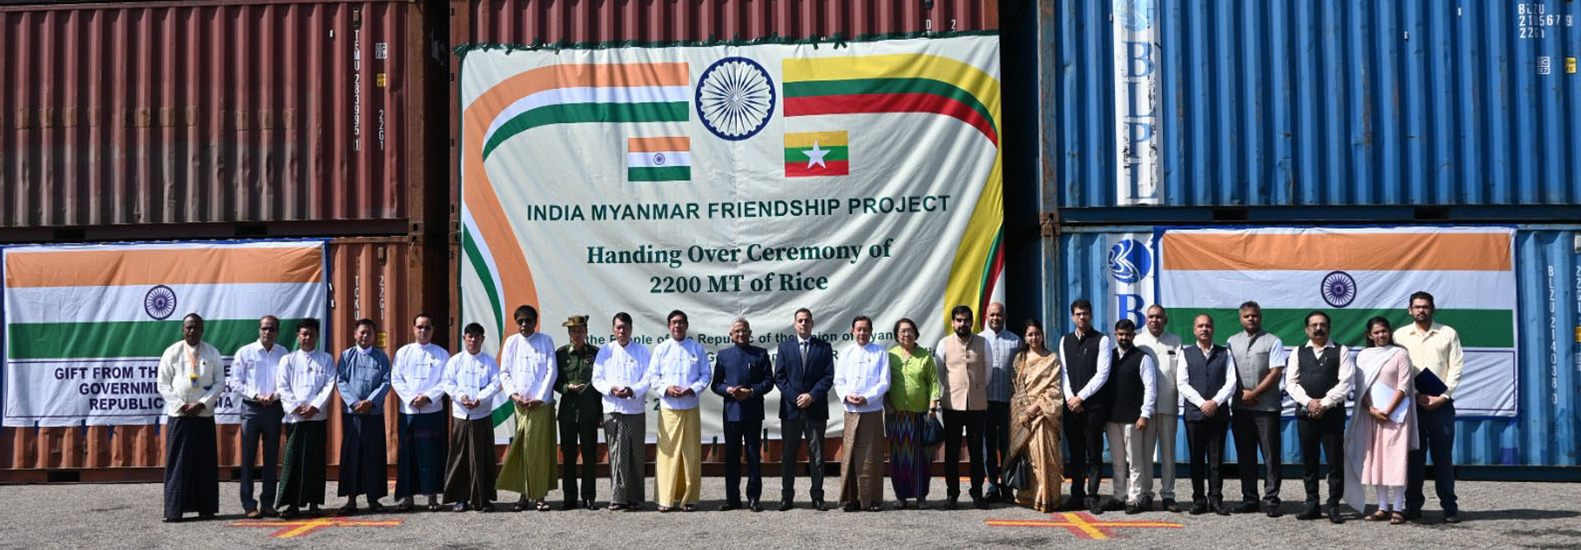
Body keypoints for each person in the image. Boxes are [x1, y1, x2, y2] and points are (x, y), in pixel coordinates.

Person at [1393, 291, 1463, 524]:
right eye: (1417, 307)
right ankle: (1413, 506)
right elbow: (1396, 372)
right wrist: (1414, 394)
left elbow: (1456, 368)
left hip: (1441, 406)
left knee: (1443, 458)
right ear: (1409, 310)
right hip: (1411, 405)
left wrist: (1442, 397)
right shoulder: (1400, 336)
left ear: (1432, 309)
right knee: (1414, 458)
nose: (1421, 310)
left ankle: (1450, 507)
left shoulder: (1448, 333)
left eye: (1425, 306)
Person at [1345, 316, 1417, 525]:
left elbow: (1404, 385)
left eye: (1384, 331)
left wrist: (1388, 410)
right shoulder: (1364, 356)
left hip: (1396, 416)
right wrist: (1372, 410)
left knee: (1396, 460)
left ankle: (1398, 508)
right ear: (1369, 335)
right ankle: (1382, 507)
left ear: (1389, 331)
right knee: (1377, 461)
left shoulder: (1400, 353)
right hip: (1372, 416)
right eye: (1376, 332)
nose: (1381, 335)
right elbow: (1361, 389)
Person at [1285, 310, 1353, 524]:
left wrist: (1322, 404)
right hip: (1306, 414)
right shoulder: (1298, 352)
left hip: (1332, 414)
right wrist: (1309, 403)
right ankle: (1312, 504)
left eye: (1322, 324)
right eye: (1314, 325)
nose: (1318, 328)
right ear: (1307, 329)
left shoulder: (1341, 351)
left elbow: (1346, 382)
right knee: (1309, 460)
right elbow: (1291, 383)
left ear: (1329, 328)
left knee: (1334, 461)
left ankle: (1333, 506)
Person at [156, 313, 224, 522]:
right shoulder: (172, 352)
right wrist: (181, 405)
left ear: (202, 330)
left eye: (196, 327)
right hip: (180, 415)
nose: (192, 331)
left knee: (204, 462)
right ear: (182, 330)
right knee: (178, 462)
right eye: (188, 327)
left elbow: (219, 383)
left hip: (203, 414)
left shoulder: (212, 353)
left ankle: (206, 508)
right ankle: (174, 511)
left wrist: (202, 403)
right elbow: (163, 384)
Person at [1225, 301, 1287, 516]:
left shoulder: (1273, 341)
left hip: (1266, 408)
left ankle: (1271, 500)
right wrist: (1243, 393)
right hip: (1241, 408)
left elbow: (1276, 372)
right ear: (1241, 318)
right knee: (1246, 456)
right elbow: (1228, 372)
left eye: (1255, 316)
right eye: (1247, 316)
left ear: (1260, 317)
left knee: (1270, 456)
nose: (1251, 319)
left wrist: (1255, 393)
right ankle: (1250, 499)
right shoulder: (1231, 342)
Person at [497, 305, 560, 512]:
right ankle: (524, 494)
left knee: (540, 451)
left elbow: (551, 372)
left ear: (535, 322)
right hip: (520, 405)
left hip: (542, 406)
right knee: (522, 451)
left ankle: (540, 495)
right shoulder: (511, 342)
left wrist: (540, 398)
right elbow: (504, 372)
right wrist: (514, 395)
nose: (524, 325)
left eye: (528, 321)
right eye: (521, 321)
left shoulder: (545, 340)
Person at [773, 307, 835, 511]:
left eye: (807, 320)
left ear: (812, 323)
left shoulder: (824, 347)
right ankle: (786, 497)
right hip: (791, 410)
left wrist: (811, 396)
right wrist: (795, 397)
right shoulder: (784, 347)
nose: (803, 324)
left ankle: (817, 496)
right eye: (800, 320)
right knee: (788, 455)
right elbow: (779, 377)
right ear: (794, 324)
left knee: (817, 456)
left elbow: (828, 377)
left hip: (815, 409)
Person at [591, 312, 654, 511]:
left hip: (634, 409)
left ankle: (634, 497)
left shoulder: (641, 351)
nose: (622, 331)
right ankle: (618, 497)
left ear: (631, 329)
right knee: (617, 454)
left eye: (625, 328)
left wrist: (632, 390)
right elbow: (597, 379)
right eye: (618, 328)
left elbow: (648, 378)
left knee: (635, 454)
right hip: (613, 409)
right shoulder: (605, 352)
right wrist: (612, 389)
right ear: (613, 330)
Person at [710, 317, 774, 512]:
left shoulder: (760, 354)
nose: (741, 334)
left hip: (753, 411)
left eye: (744, 330)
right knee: (731, 457)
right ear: (731, 335)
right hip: (732, 413)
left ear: (750, 332)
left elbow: (769, 382)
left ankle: (754, 498)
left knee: (754, 456)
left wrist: (751, 391)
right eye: (737, 331)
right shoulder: (723, 355)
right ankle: (732, 499)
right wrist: (728, 390)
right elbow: (716, 384)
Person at [275, 318, 336, 519]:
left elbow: (329, 384)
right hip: (295, 419)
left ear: (317, 336)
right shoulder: (288, 360)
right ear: (298, 336)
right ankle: (291, 505)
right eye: (304, 334)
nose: (307, 337)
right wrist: (295, 407)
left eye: (311, 334)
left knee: (315, 462)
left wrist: (315, 407)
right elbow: (282, 386)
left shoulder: (326, 359)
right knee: (293, 461)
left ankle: (314, 503)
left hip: (317, 419)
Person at [649, 309, 710, 513]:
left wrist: (691, 389)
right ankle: (665, 498)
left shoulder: (696, 348)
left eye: (681, 322)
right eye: (674, 323)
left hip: (690, 408)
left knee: (690, 454)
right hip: (669, 409)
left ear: (686, 325)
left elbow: (705, 375)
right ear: (668, 326)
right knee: (667, 454)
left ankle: (690, 498)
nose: (677, 326)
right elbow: (653, 377)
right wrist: (667, 389)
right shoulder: (661, 349)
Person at [391, 313, 451, 512]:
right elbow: (396, 379)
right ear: (413, 329)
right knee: (408, 456)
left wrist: (428, 397)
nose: (423, 331)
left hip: (432, 411)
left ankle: (432, 496)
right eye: (419, 327)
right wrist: (411, 398)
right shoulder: (403, 352)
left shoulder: (442, 354)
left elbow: (445, 381)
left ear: (433, 330)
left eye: (427, 327)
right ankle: (408, 497)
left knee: (431, 455)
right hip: (408, 411)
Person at [1058, 299, 1114, 513]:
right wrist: (1071, 398)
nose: (1082, 317)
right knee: (1075, 452)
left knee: (1094, 452)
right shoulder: (1065, 341)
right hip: (1071, 407)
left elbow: (1102, 374)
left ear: (1091, 316)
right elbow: (1063, 373)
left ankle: (1092, 496)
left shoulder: (1102, 341)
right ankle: (1076, 495)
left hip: (1093, 407)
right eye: (1078, 314)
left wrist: (1080, 397)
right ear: (1073, 317)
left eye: (1086, 314)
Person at [1178, 314, 1236, 516]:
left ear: (1213, 329)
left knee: (1216, 459)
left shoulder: (1225, 353)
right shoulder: (1185, 353)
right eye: (1200, 326)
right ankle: (1199, 500)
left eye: (1208, 326)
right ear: (1194, 330)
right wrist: (1203, 403)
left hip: (1218, 414)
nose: (1204, 329)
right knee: (1196, 459)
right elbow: (1182, 383)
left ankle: (1216, 499)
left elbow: (1231, 382)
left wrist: (1215, 402)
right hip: (1194, 414)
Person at [442, 322, 501, 512]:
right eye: (470, 336)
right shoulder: (455, 361)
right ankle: (461, 498)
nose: (473, 340)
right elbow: (448, 383)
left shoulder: (489, 361)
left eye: (477, 336)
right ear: (464, 338)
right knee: (460, 458)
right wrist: (461, 397)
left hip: (481, 415)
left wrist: (480, 399)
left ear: (483, 339)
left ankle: (483, 499)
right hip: (461, 416)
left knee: (483, 457)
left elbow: (495, 384)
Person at [935, 305, 990, 509]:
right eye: (958, 320)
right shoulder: (944, 344)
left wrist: (975, 390)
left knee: (976, 452)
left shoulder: (983, 343)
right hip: (952, 405)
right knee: (952, 452)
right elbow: (941, 372)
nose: (962, 324)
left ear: (972, 321)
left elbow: (988, 371)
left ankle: (977, 493)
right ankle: (952, 494)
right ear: (953, 322)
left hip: (976, 405)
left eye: (966, 320)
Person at [233, 315, 288, 518]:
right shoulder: (245, 353)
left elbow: (286, 383)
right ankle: (249, 505)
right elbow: (236, 382)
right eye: (264, 328)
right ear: (259, 330)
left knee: (271, 458)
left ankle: (267, 503)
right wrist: (256, 395)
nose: (268, 332)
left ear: (277, 332)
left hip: (273, 408)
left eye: (272, 329)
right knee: (248, 457)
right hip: (251, 409)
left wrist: (275, 395)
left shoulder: (283, 354)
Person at [1006, 318, 1064, 512]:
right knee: (1029, 459)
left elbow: (1055, 391)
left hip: (1043, 416)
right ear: (1025, 337)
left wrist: (1037, 407)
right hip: (1024, 417)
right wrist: (1023, 410)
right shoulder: (1019, 360)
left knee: (1046, 457)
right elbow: (1015, 388)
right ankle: (1028, 496)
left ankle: (1048, 497)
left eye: (1037, 334)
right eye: (1030, 334)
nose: (1034, 338)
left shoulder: (1051, 359)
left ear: (1042, 335)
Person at [335, 318, 392, 514]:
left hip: (374, 413)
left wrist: (371, 401)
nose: (365, 336)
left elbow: (386, 382)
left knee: (374, 455)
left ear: (374, 336)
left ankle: (373, 499)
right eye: (362, 332)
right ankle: (351, 499)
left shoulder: (381, 357)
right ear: (355, 334)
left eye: (369, 332)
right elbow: (340, 381)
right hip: (353, 415)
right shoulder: (346, 356)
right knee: (352, 455)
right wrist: (355, 402)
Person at [835, 315, 891, 512]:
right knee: (850, 455)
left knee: (871, 455)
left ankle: (873, 500)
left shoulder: (880, 352)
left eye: (865, 329)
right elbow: (839, 381)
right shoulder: (846, 352)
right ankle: (852, 499)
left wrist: (867, 397)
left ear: (871, 331)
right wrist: (846, 396)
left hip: (872, 410)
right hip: (850, 411)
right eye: (858, 329)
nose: (862, 333)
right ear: (852, 330)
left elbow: (884, 382)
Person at [885, 318, 940, 509]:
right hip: (896, 415)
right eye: (902, 331)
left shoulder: (925, 356)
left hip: (920, 414)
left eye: (910, 331)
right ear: (897, 335)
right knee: (899, 457)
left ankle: (921, 496)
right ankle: (901, 497)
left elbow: (933, 382)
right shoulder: (890, 356)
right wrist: (886, 404)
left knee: (922, 458)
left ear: (916, 333)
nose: (906, 334)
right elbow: (884, 384)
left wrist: (933, 406)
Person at [1105, 319, 1157, 515]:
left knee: (1135, 461)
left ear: (1133, 336)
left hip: (1133, 419)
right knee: (1117, 461)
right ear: (1115, 335)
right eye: (1120, 334)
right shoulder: (1108, 357)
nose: (1123, 338)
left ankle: (1135, 498)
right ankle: (1119, 496)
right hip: (1112, 418)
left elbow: (1151, 388)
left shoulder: (1143, 358)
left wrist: (1145, 414)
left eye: (1127, 334)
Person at [1134, 304, 1183, 512]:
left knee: (1168, 453)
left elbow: (1182, 375)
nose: (1155, 320)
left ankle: (1168, 495)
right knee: (1145, 453)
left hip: (1168, 404)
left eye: (1159, 317)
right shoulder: (1137, 341)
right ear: (1146, 319)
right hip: (1145, 408)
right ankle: (1146, 494)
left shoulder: (1176, 341)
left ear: (1165, 320)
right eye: (1151, 317)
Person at [555, 315, 602, 510]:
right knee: (568, 456)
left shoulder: (596, 353)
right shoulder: (561, 354)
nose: (577, 334)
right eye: (573, 331)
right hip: (568, 412)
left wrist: (600, 412)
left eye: (580, 330)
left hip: (589, 411)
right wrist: (567, 387)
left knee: (590, 455)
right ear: (568, 333)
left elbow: (600, 382)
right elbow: (554, 381)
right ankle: (569, 497)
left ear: (586, 332)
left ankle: (589, 496)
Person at [979, 302, 1021, 501]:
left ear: (1005, 316)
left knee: (1007, 446)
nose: (995, 318)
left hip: (1007, 402)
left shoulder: (1015, 341)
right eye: (992, 315)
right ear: (986, 316)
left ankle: (1007, 485)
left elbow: (1021, 373)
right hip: (985, 403)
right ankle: (992, 486)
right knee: (987, 446)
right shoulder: (978, 340)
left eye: (999, 315)